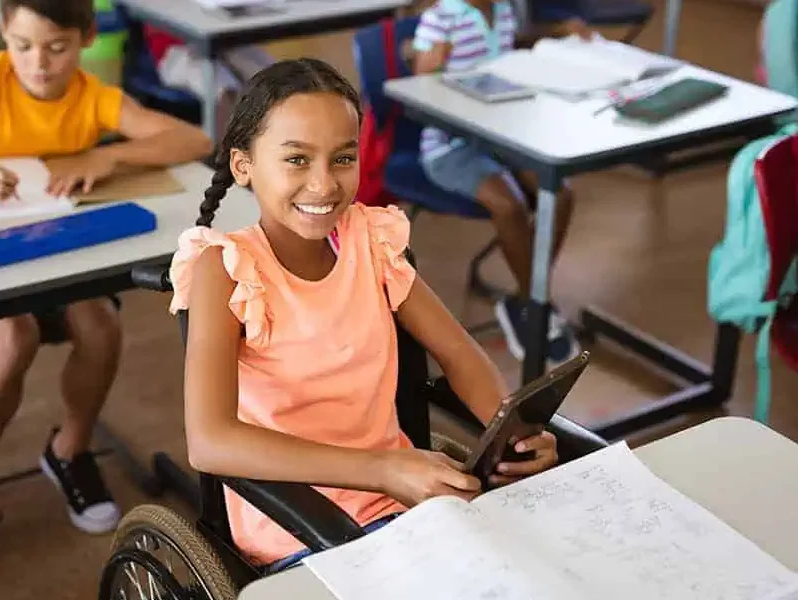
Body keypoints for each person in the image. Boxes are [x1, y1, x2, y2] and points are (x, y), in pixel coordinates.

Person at [168, 58, 560, 572]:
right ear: (244, 167)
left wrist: (510, 432)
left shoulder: (370, 242)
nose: (324, 184)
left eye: (343, 158)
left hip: (402, 500)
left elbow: (459, 352)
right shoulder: (226, 269)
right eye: (296, 160)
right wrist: (383, 470)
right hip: (296, 525)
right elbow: (210, 441)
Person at [0, 0, 211, 583]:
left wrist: (105, 154)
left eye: (56, 47)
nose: (39, 63)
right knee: (12, 337)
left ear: (84, 39)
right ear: (5, 31)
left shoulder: (92, 94)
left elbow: (191, 140)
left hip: (52, 250)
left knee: (102, 326)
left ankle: (69, 452)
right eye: (23, 44)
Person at [412, 0, 584, 364]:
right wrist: (430, 61)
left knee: (561, 194)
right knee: (509, 207)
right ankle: (535, 306)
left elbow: (511, 46)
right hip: (449, 145)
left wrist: (559, 30)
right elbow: (419, 74)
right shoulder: (441, 17)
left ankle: (527, 300)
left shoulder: (504, 10)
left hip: (499, 137)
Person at [143, 25, 276, 138]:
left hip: (226, 39)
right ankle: (227, 155)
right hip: (175, 50)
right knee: (224, 90)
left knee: (275, 78)